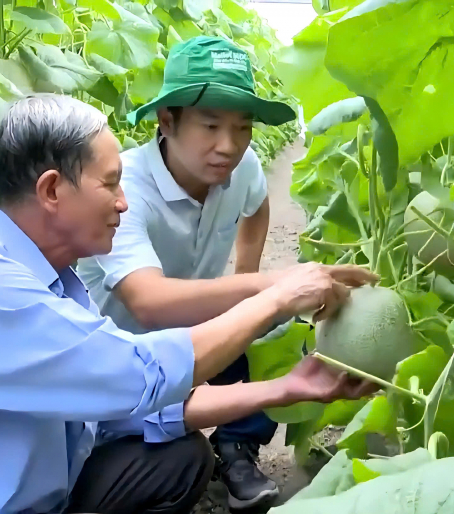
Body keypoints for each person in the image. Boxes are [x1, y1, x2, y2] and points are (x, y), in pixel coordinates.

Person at [0, 94, 378, 514]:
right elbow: (141, 375)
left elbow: (124, 414)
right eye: (110, 184)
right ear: (51, 190)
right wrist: (275, 296)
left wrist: (286, 388)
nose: (123, 201)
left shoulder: (61, 286)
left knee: (177, 458)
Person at [75, 35, 321, 509]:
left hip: (194, 329)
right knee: (267, 308)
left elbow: (257, 205)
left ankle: (237, 449)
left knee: (277, 331)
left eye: (242, 128)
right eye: (210, 126)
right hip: (123, 352)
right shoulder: (123, 190)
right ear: (167, 121)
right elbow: (150, 303)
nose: (227, 146)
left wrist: (248, 276)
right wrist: (268, 288)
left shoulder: (241, 165)